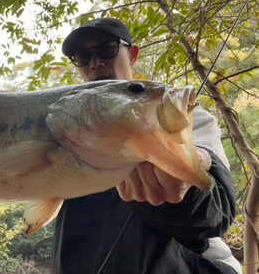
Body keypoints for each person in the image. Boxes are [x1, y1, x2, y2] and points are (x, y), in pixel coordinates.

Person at [52, 18, 240, 274]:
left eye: (106, 48)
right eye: (82, 56)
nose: (95, 62)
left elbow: (216, 213)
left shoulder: (176, 112)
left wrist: (189, 183)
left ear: (132, 55)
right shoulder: (63, 126)